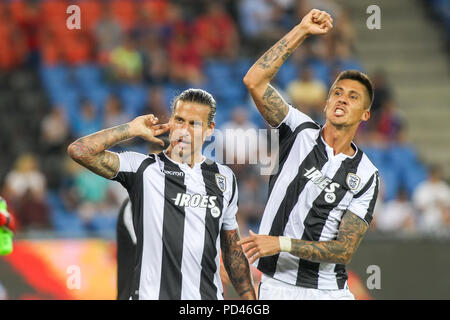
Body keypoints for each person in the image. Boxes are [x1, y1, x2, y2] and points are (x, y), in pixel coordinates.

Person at [240, 9, 379, 300]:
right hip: (278, 287)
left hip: (331, 292)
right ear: (327, 102)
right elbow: (255, 81)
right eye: (338, 92)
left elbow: (343, 250)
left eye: (353, 97)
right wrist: (301, 30)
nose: (342, 98)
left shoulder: (367, 174)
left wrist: (282, 244)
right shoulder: (298, 130)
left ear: (364, 114)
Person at [68, 88, 255, 300]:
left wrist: (250, 299)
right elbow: (80, 150)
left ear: (209, 129)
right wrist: (130, 129)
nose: (184, 130)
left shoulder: (224, 178)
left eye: (193, 123)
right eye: (179, 120)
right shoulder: (144, 168)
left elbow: (232, 249)